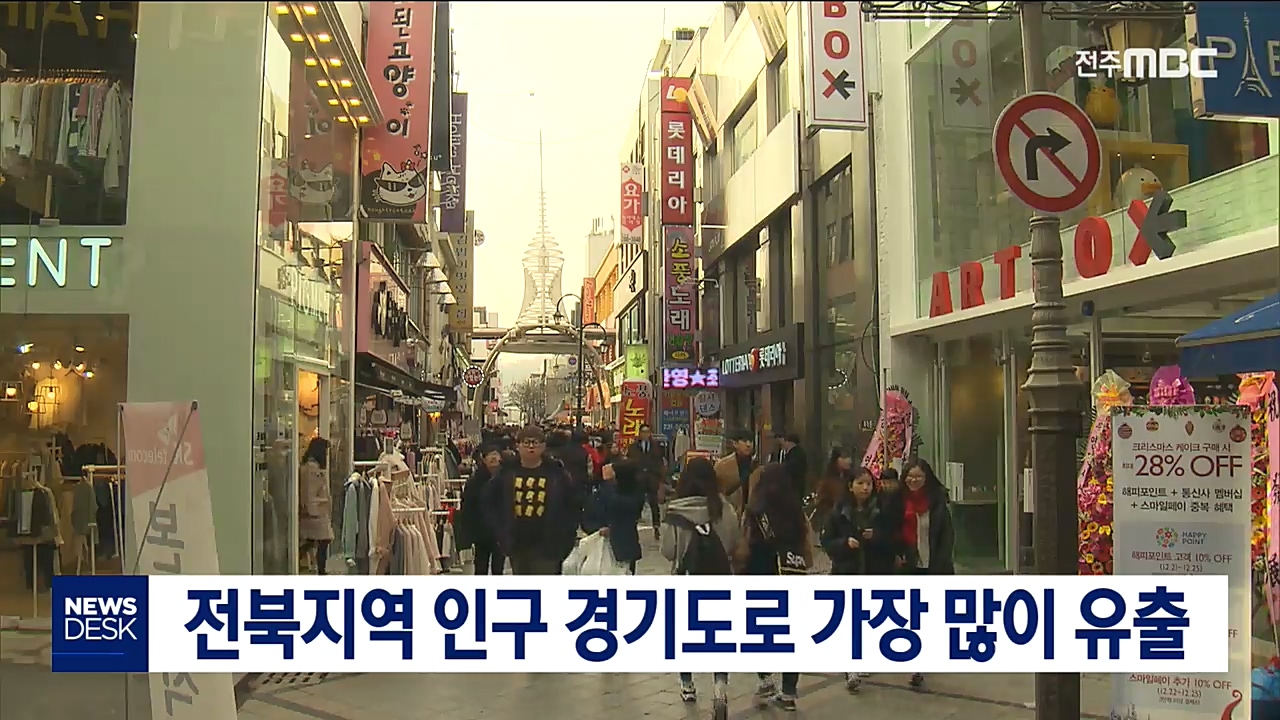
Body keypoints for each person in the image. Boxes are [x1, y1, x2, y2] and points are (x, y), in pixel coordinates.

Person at [663, 457, 742, 718]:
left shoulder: (675, 510)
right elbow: (733, 543)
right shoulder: (723, 507)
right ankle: (719, 685)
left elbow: (668, 551)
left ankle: (687, 684)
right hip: (720, 579)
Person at [820, 466, 900, 692]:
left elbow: (892, 540)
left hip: (875, 570)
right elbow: (826, 542)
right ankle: (851, 667)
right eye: (860, 483)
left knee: (870, 617)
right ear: (850, 486)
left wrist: (876, 537)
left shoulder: (881, 510)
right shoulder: (839, 512)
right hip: (847, 570)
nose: (865, 487)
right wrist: (845, 544)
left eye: (868, 483)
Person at [739, 463, 811, 712]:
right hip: (791, 575)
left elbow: (746, 544)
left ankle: (766, 678)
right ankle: (789, 692)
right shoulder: (795, 510)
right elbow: (805, 543)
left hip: (760, 574)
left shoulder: (755, 510)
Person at [886, 457, 955, 690]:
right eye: (909, 476)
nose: (913, 480)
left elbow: (946, 536)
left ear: (926, 478)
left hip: (934, 566)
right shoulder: (896, 503)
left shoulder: (937, 503)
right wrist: (898, 552)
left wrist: (943, 560)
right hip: (909, 566)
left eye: (918, 476)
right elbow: (891, 530)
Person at [483, 425, 579, 575]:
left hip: (548, 544)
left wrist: (566, 537)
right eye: (526, 443)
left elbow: (572, 504)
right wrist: (500, 532)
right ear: (518, 445)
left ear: (543, 446)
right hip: (517, 543)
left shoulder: (556, 473)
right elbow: (489, 501)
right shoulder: (507, 472)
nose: (531, 447)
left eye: (536, 442)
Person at [583, 458, 645, 574]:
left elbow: (625, 505)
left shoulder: (634, 493)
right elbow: (588, 516)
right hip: (600, 544)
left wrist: (607, 483)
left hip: (624, 546)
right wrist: (596, 529)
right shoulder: (601, 494)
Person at [461, 445, 506, 575]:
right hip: (480, 532)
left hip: (500, 532)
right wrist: (468, 532)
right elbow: (467, 507)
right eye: (490, 455)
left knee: (498, 569)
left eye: (496, 454)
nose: (493, 458)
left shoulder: (505, 478)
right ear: (483, 459)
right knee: (481, 567)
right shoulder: (474, 481)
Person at [298, 436, 333, 575]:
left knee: (313, 540)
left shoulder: (308, 466)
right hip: (315, 512)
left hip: (314, 510)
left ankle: (319, 569)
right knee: (324, 539)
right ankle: (321, 571)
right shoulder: (312, 469)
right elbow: (310, 491)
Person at [626, 423, 667, 538]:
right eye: (643, 432)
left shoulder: (656, 447)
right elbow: (629, 462)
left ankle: (656, 527)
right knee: (637, 503)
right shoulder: (633, 447)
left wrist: (659, 478)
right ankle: (633, 526)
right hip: (638, 479)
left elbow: (659, 463)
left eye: (647, 432)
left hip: (651, 479)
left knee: (654, 504)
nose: (645, 434)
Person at [714, 430, 760, 512]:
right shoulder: (722, 466)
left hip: (751, 513)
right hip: (729, 512)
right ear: (735, 444)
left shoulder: (756, 466)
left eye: (751, 441)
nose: (748, 445)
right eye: (745, 441)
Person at [814, 447, 855, 524]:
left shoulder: (852, 478)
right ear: (836, 459)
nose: (849, 460)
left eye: (849, 457)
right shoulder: (827, 481)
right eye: (844, 457)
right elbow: (822, 503)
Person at [770, 432, 809, 501]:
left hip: (794, 486)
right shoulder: (796, 452)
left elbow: (790, 468)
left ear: (790, 442)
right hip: (794, 486)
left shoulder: (796, 454)